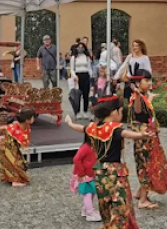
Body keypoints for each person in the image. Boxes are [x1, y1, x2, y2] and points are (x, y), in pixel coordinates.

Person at [65, 96, 152, 229]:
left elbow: (80, 128)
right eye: (121, 112)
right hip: (115, 173)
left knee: (107, 206)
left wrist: (70, 123)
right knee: (121, 208)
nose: (121, 115)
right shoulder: (114, 129)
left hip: (99, 172)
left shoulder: (93, 127)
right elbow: (127, 134)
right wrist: (142, 135)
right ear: (114, 112)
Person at [128, 69, 167, 209]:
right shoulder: (136, 97)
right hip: (144, 137)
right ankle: (143, 200)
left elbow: (147, 114)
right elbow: (138, 111)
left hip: (148, 134)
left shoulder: (143, 96)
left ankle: (140, 192)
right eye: (146, 80)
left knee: (145, 164)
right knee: (147, 165)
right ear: (138, 83)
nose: (149, 83)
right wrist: (139, 96)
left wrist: (147, 98)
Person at [0, 108, 35, 187]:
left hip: (13, 148)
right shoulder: (15, 127)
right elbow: (1, 128)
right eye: (32, 117)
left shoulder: (25, 127)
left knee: (16, 163)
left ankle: (13, 179)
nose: (34, 119)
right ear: (27, 120)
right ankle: (14, 181)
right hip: (6, 147)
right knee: (14, 164)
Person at [70, 133, 101, 222]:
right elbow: (76, 159)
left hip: (89, 174)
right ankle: (90, 213)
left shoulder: (93, 147)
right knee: (88, 193)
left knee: (91, 192)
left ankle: (86, 210)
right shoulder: (86, 147)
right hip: (84, 175)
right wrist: (81, 173)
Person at [71, 43, 93, 120]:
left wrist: (91, 77)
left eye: (82, 47)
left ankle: (85, 111)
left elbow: (90, 68)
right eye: (79, 47)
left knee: (86, 94)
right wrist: (74, 76)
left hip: (86, 75)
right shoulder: (74, 57)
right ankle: (77, 112)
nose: (80, 49)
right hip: (77, 76)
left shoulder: (87, 57)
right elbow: (71, 69)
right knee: (77, 95)